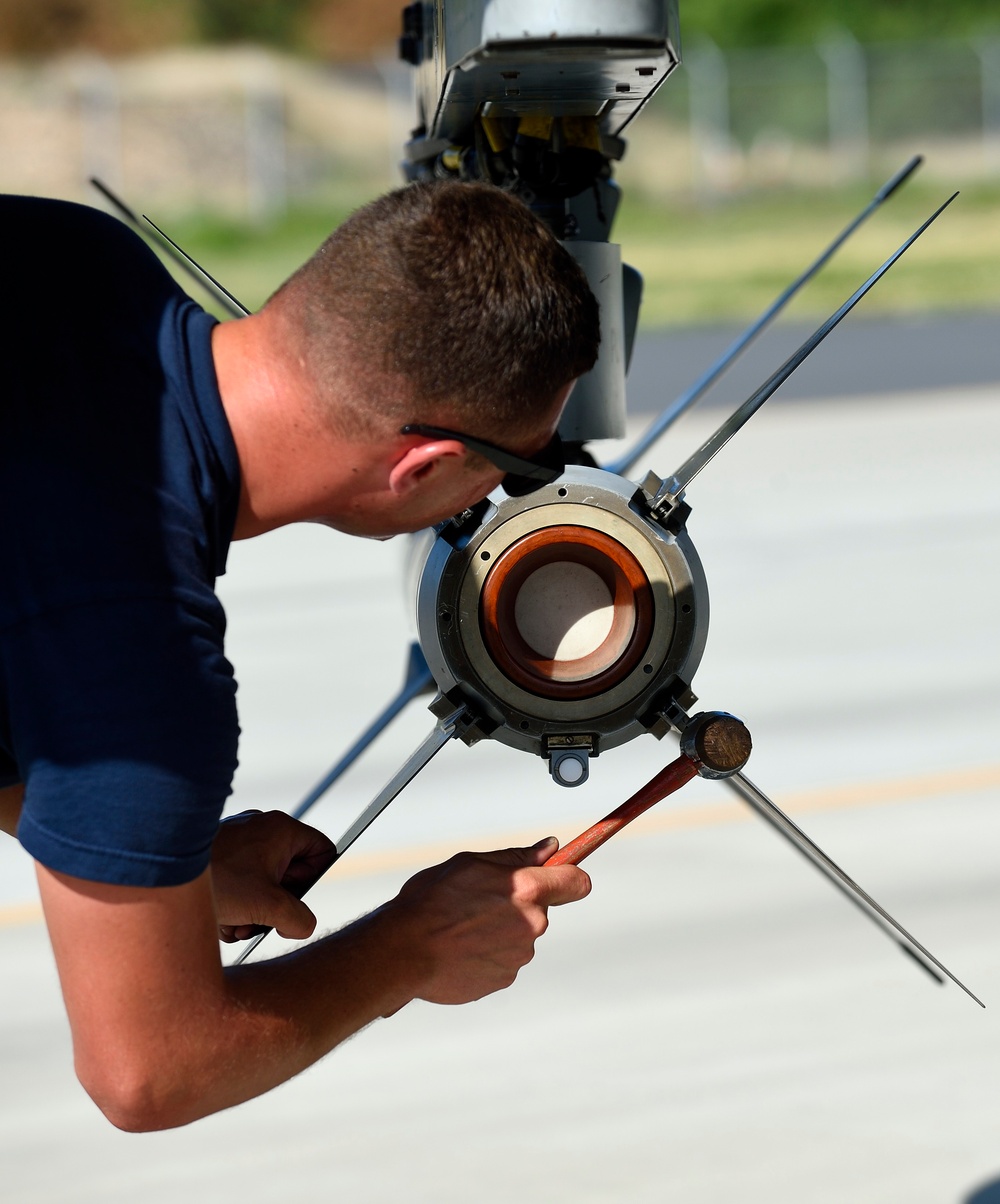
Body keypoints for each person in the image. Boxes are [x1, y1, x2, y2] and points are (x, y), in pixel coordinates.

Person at [0, 180, 599, 1130]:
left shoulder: (70, 256)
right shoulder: (147, 677)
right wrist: (408, 948)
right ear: (429, 468)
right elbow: (149, 1072)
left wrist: (166, 869)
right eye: (516, 471)